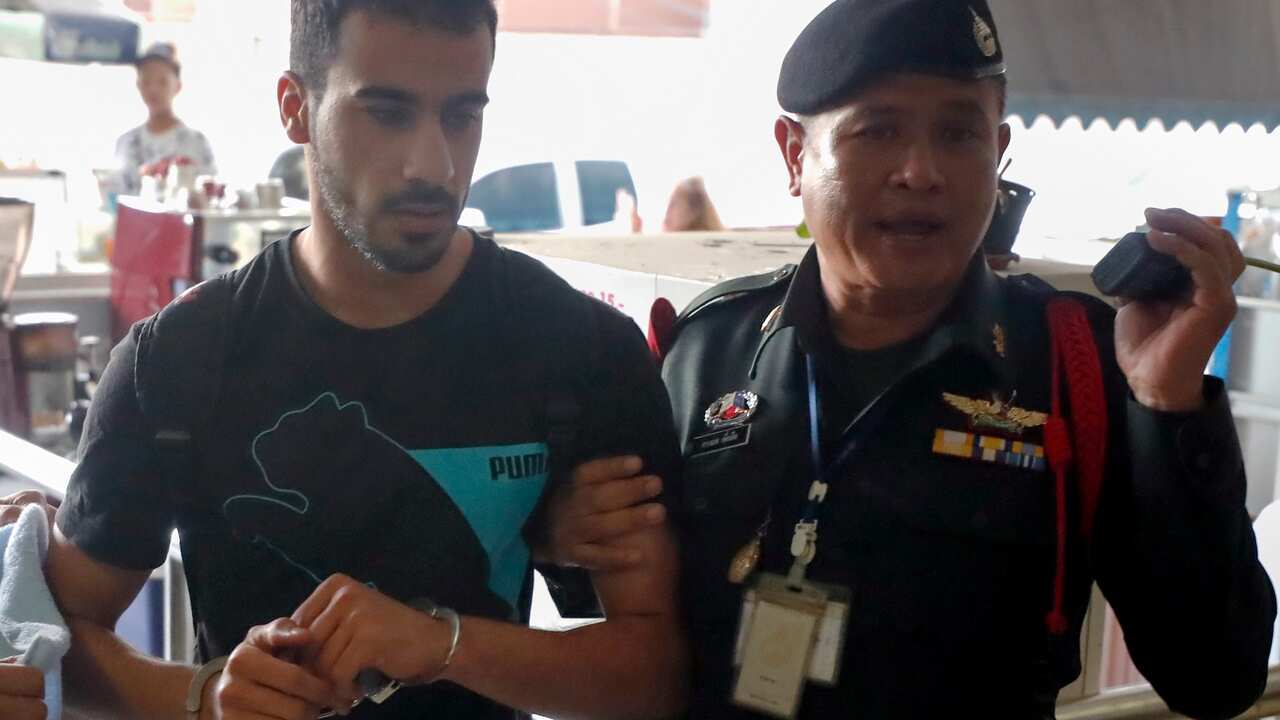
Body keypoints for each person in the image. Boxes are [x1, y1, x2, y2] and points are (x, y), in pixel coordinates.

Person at [544, 0, 1276, 717]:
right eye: (879, 130)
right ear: (795, 155)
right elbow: (600, 600)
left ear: (1000, 152)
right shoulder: (708, 346)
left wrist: (1169, 408)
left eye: (960, 133)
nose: (921, 171)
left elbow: (1216, 676)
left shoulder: (1076, 363)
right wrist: (563, 530)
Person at [41, 2, 687, 719]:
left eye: (461, 116)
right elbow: (54, 646)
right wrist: (198, 697)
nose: (433, 166)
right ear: (295, 108)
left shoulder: (581, 348)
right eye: (387, 113)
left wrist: (444, 644)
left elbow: (655, 676)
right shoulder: (180, 358)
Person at [111, 43, 217, 196]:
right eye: (146, 81)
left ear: (177, 86)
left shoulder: (196, 143)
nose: (153, 89)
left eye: (162, 82)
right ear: (138, 85)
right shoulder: (125, 143)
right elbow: (115, 199)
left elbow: (210, 198)